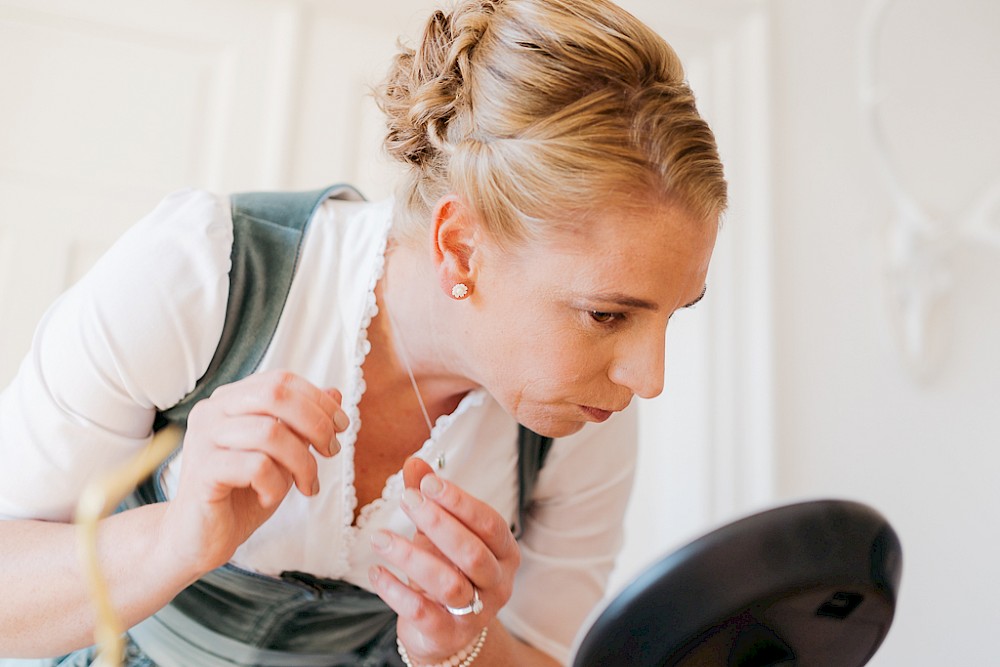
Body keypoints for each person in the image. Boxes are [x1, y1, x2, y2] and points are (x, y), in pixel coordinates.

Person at [0, 0, 726, 665]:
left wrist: (466, 646)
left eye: (674, 312)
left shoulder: (581, 418)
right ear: (460, 248)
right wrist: (173, 539)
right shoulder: (198, 273)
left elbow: (538, 651)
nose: (648, 378)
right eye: (607, 314)